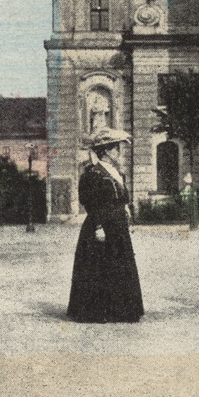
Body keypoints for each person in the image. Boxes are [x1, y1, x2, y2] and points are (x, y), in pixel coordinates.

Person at [66, 128, 145, 323]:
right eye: (116, 148)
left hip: (118, 227)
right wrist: (98, 227)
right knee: (99, 267)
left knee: (119, 265)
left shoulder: (118, 173)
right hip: (100, 225)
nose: (119, 152)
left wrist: (125, 210)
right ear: (107, 151)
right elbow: (90, 202)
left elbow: (121, 198)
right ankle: (96, 311)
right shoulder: (92, 173)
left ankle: (121, 310)